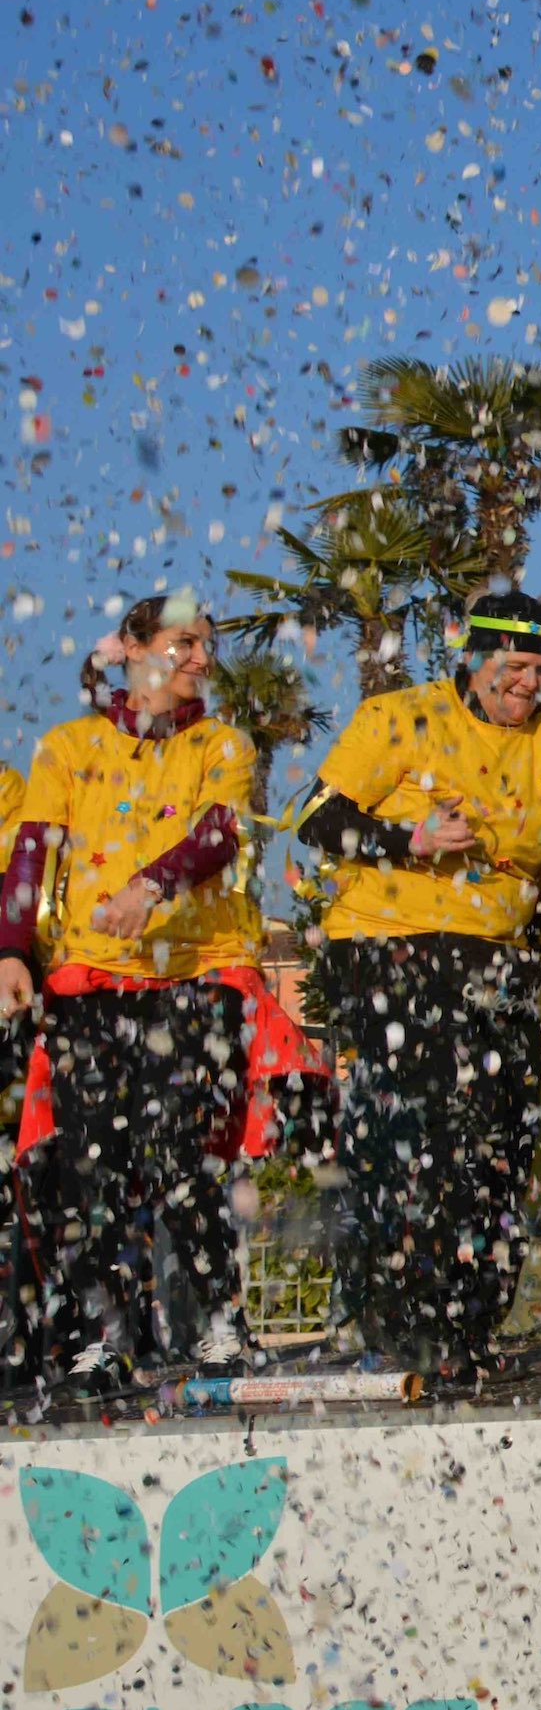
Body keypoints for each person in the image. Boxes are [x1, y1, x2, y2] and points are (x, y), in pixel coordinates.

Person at [299, 589, 541, 1381]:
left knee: (500, 1143)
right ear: (476, 656)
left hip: (498, 955)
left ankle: (473, 1321)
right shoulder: (401, 716)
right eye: (517, 666)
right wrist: (411, 837)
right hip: (394, 946)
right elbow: (317, 816)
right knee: (429, 1140)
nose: (532, 682)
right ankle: (408, 1324)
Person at [0, 595, 270, 1389]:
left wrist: (150, 889)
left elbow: (218, 835)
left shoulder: (224, 743)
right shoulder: (68, 746)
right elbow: (29, 858)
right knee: (94, 1166)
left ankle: (220, 1321)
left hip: (190, 977)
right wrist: (11, 951)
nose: (199, 658)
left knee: (183, 1160)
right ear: (133, 649)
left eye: (207, 646)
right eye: (184, 643)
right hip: (89, 982)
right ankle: (104, 1334)